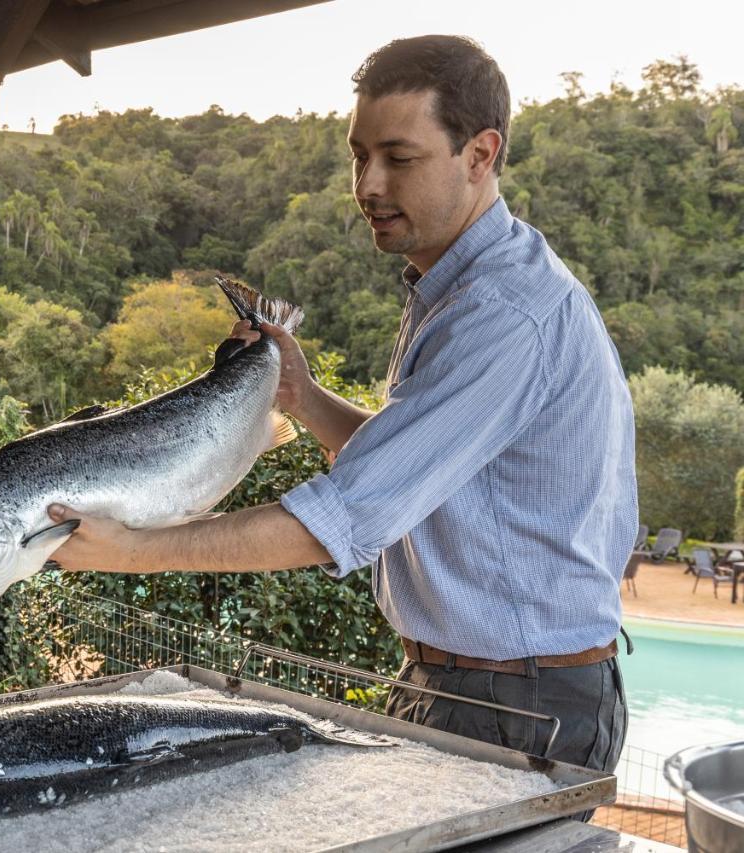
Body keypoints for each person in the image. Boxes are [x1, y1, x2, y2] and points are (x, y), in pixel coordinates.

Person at [47, 34, 635, 777]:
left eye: (400, 157)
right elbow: (421, 468)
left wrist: (134, 551)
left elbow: (346, 516)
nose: (368, 184)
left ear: (480, 155)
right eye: (359, 155)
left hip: (517, 700)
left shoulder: (502, 314)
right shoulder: (453, 286)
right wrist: (301, 394)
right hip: (468, 682)